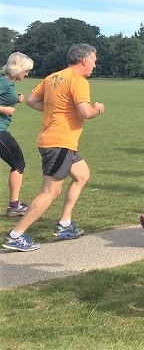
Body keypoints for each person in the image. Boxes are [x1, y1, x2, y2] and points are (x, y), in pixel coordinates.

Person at [3, 44, 104, 252]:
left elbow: (31, 100)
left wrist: (56, 109)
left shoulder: (53, 77)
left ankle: (65, 224)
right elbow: (85, 112)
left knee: (82, 175)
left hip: (61, 142)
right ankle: (16, 235)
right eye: (94, 59)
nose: (95, 64)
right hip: (59, 142)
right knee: (50, 191)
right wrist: (98, 109)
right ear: (84, 60)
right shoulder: (78, 81)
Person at [1, 52, 34, 218]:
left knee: (17, 163)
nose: (27, 73)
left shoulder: (8, 83)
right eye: (26, 70)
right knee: (18, 163)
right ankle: (14, 206)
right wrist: (3, 109)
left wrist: (16, 99)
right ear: (18, 68)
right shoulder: (3, 83)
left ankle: (14, 205)